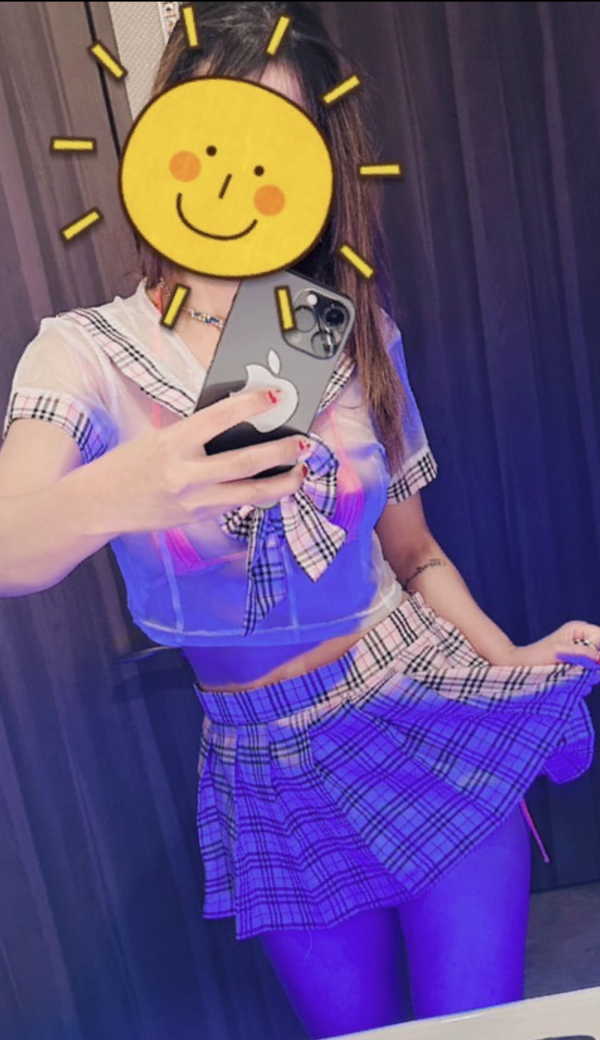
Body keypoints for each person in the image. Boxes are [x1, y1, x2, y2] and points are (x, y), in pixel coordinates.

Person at [0, 3, 598, 1037]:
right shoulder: (84, 353)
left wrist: (509, 658)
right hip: (263, 765)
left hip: (412, 703)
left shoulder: (343, 333)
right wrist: (137, 485)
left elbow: (416, 554)